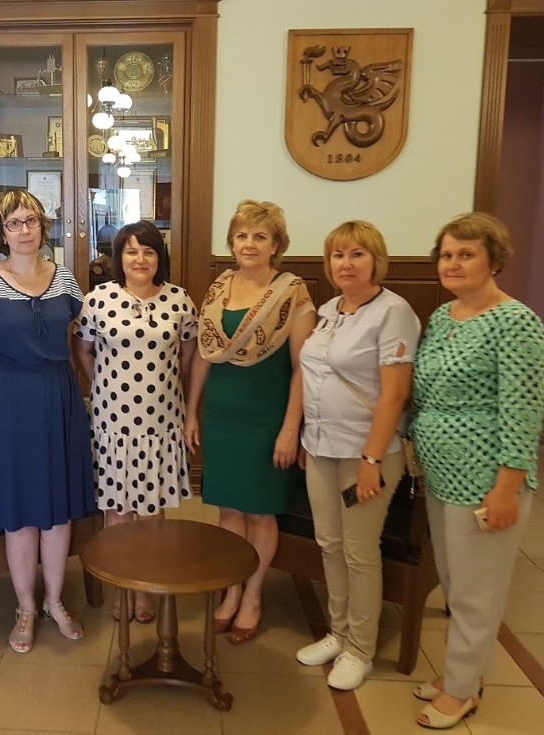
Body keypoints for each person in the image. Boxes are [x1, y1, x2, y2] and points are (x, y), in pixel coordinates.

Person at [410, 212, 544, 729]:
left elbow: (523, 412)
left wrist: (507, 488)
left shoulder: (517, 322)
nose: (453, 263)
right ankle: (461, 672)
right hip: (441, 475)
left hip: (486, 479)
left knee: (477, 590)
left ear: (494, 260)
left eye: (466, 254)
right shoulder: (444, 317)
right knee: (454, 581)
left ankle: (463, 689)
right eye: (447, 255)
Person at [294, 221, 421, 690]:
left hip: (366, 454)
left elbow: (395, 395)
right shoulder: (330, 310)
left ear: (376, 260)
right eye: (338, 255)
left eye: (356, 254)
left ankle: (360, 649)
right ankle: (338, 632)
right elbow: (313, 375)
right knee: (329, 543)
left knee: (359, 551)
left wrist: (371, 461)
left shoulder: (394, 313)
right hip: (321, 446)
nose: (345, 264)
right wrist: (307, 436)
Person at [0, 190, 94, 654]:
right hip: (7, 400)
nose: (24, 230)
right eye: (14, 223)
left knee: (58, 509)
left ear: (44, 226)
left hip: (58, 397)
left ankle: (54, 601)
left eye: (32, 221)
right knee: (20, 511)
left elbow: (84, 339)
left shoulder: (66, 278)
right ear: (1, 232)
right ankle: (24, 606)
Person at [184, 199, 315, 644]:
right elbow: (205, 355)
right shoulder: (220, 287)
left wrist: (290, 428)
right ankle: (233, 589)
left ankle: (254, 595)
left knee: (260, 512)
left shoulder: (292, 293)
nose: (249, 244)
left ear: (276, 244)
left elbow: (302, 369)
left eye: (260, 236)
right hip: (222, 416)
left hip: (267, 419)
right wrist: (191, 411)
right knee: (228, 509)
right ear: (232, 242)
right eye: (241, 235)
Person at [74, 220, 198, 624]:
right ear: (119, 257)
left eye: (148, 251)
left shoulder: (179, 300)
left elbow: (187, 354)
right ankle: (123, 588)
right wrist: (102, 384)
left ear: (159, 257)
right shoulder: (98, 299)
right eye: (131, 251)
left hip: (160, 422)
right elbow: (84, 350)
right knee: (117, 511)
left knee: (151, 512)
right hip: (113, 423)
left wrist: (169, 387)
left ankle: (146, 588)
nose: (140, 259)